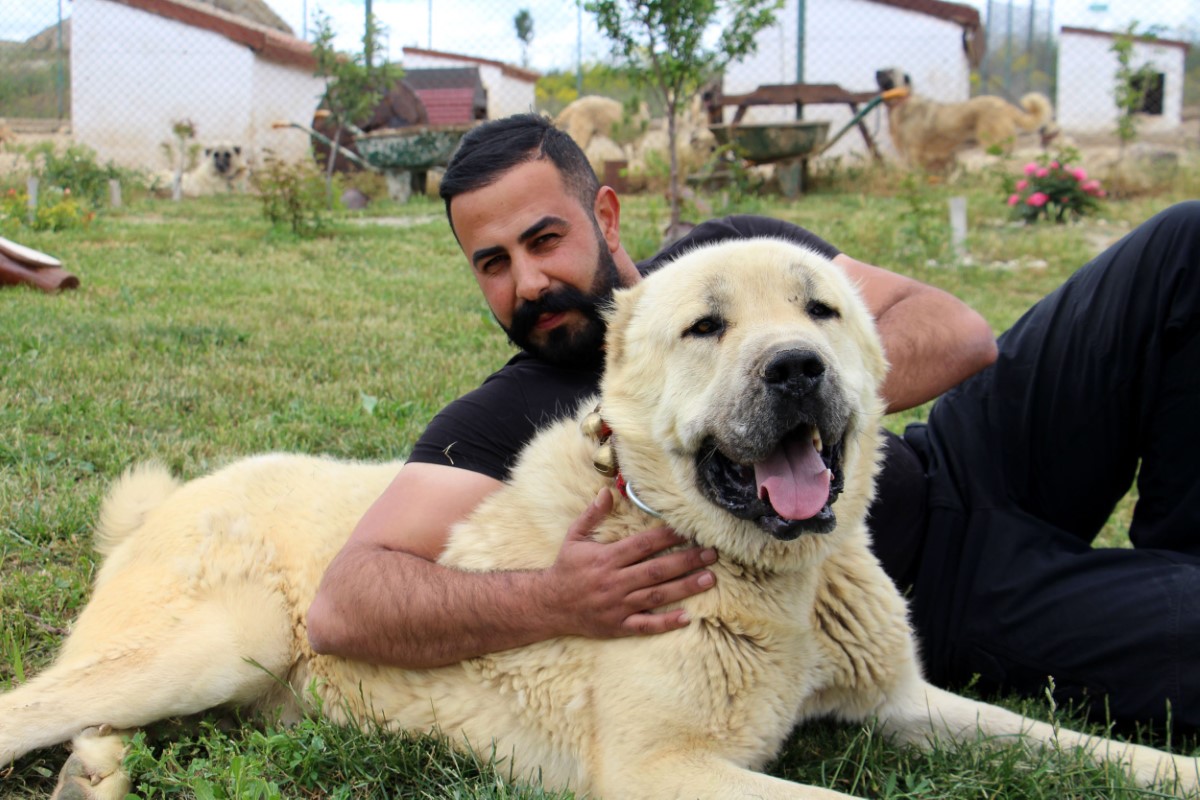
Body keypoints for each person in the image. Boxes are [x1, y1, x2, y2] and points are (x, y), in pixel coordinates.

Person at [307, 113, 1200, 733]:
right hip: (925, 587)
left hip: (957, 456)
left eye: (545, 240)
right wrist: (551, 599)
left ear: (604, 213)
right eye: (492, 263)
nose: (529, 282)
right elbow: (349, 601)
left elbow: (956, 333)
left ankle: (1177, 545)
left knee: (1180, 246)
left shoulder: (733, 259)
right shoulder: (509, 413)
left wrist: (790, 394)